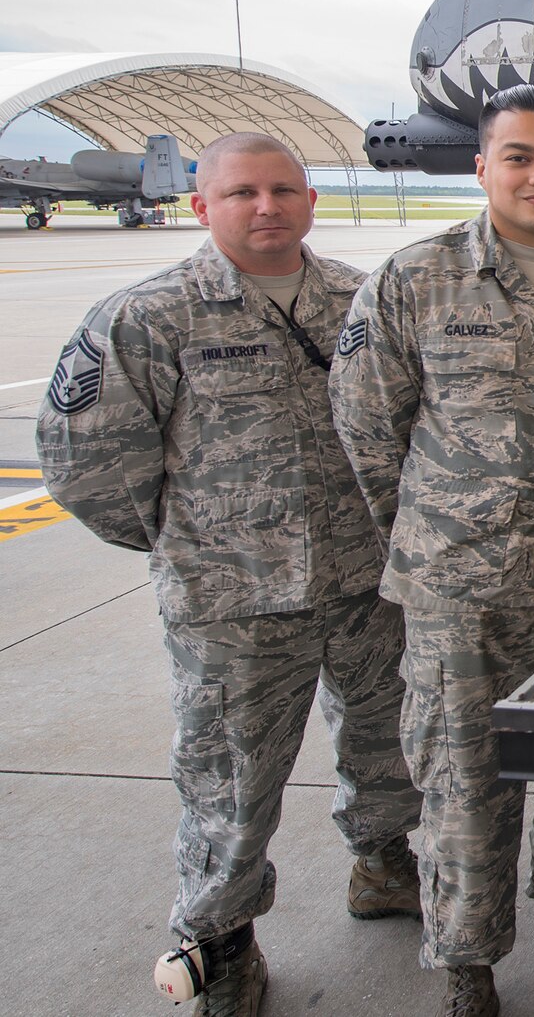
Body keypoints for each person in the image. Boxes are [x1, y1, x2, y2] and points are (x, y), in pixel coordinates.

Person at [38, 133, 421, 1017]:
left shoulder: (361, 301)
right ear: (201, 205)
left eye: (285, 188)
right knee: (231, 783)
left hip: (366, 582)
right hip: (235, 604)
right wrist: (192, 545)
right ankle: (222, 941)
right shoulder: (150, 315)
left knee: (386, 739)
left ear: (311, 201)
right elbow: (85, 461)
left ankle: (382, 863)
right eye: (243, 191)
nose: (267, 206)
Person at [331, 86, 534, 1017]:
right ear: (482, 167)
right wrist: (444, 522)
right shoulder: (414, 278)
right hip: (457, 586)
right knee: (463, 779)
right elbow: (368, 425)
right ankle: (465, 965)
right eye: (519, 156)